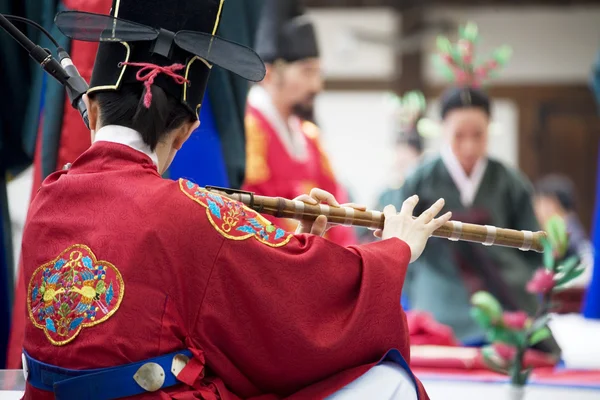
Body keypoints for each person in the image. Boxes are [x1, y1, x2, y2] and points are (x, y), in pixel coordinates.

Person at [20, 1, 453, 398]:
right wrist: (394, 251)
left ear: (92, 109)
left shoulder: (48, 196)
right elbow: (288, 314)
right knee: (389, 383)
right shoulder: (189, 210)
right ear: (186, 132)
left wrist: (302, 249)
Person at [398, 85, 548, 345]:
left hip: (502, 292)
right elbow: (399, 243)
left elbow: (533, 249)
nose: (469, 146)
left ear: (490, 128)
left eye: (478, 135)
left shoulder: (511, 182)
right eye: (459, 135)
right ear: (443, 128)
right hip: (439, 289)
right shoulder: (419, 180)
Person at [242, 0, 357, 247]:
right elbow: (251, 208)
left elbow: (335, 202)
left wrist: (345, 255)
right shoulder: (249, 128)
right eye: (307, 72)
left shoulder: (309, 136)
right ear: (269, 73)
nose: (316, 86)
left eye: (318, 73)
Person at [534, 174, 594, 287]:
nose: (536, 209)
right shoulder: (572, 227)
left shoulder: (568, 232)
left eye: (539, 202)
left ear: (552, 204)